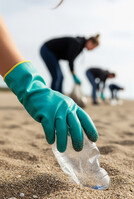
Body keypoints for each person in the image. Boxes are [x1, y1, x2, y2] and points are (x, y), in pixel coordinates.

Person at [0, 14, 98, 153]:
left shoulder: (79, 45)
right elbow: (70, 61)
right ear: (91, 42)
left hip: (53, 53)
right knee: (58, 76)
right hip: (47, 50)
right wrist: (35, 89)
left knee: (60, 76)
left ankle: (53, 98)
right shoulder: (77, 43)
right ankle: (51, 98)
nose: (92, 50)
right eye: (93, 47)